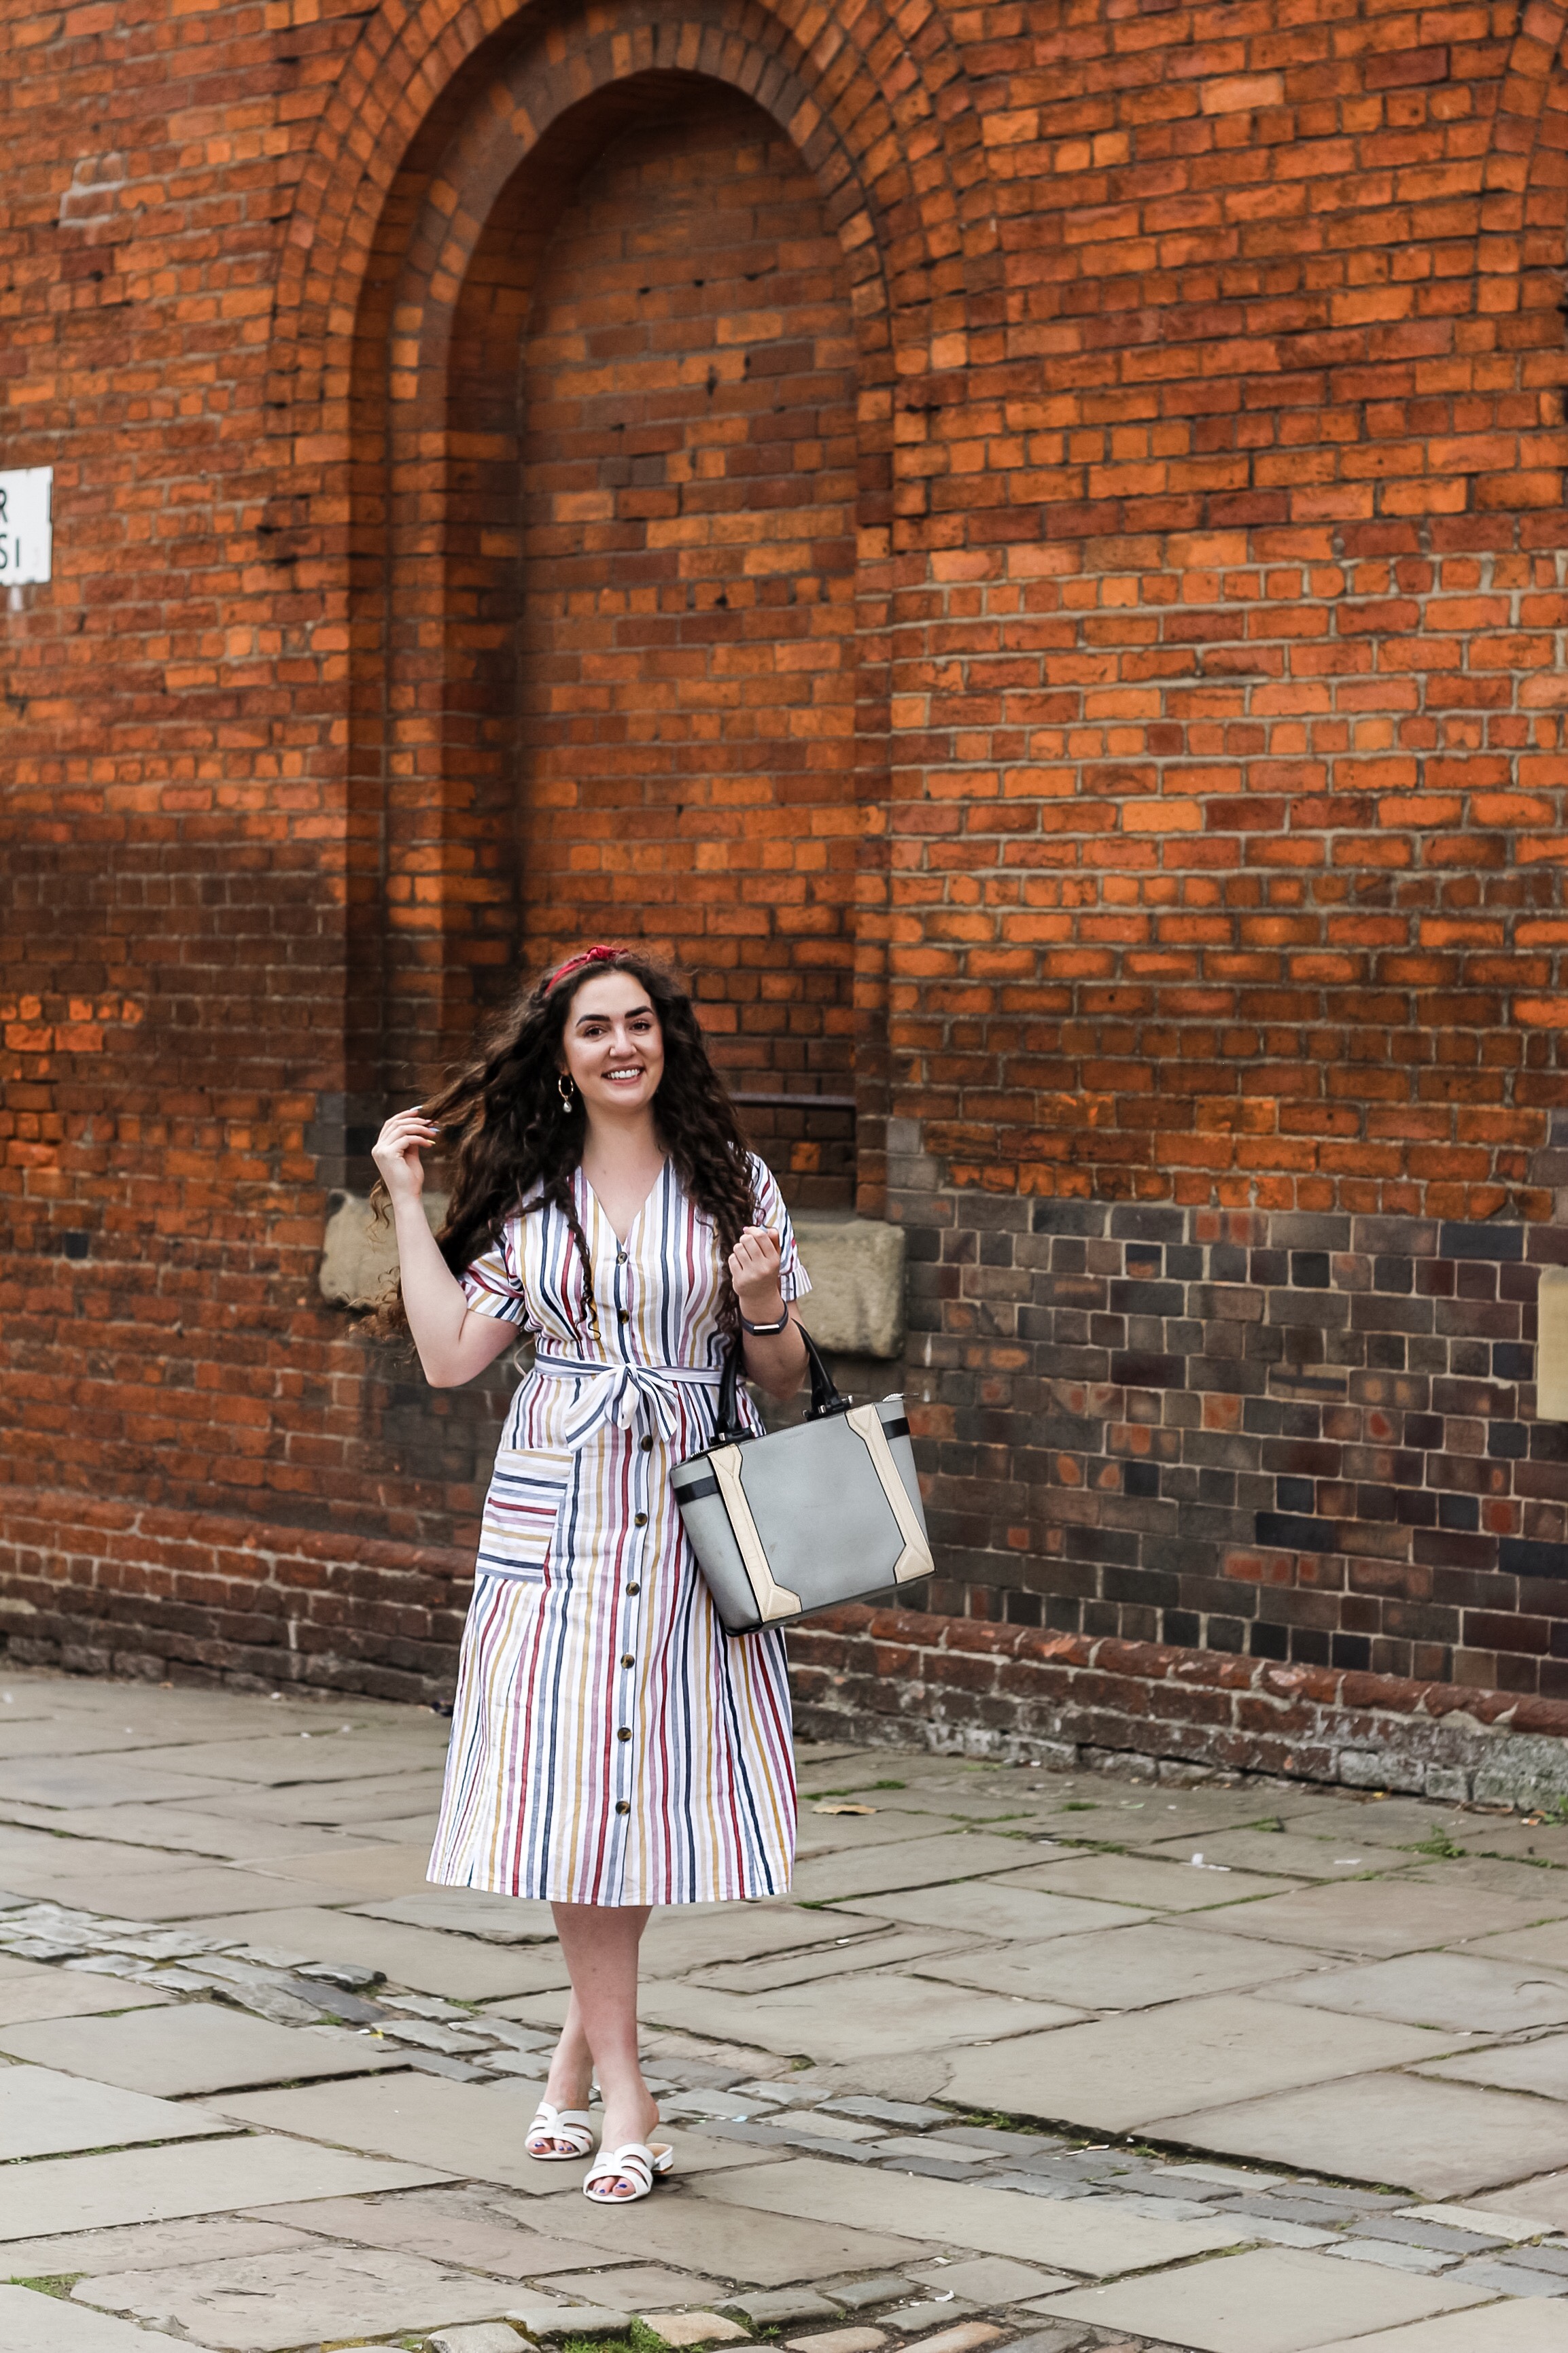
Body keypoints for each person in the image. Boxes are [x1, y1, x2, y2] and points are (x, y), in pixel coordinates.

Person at [370, 944, 809, 2205]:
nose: (623, 1045)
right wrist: (408, 1202)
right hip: (556, 1524)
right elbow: (454, 1356)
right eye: (594, 1030)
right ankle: (628, 2091)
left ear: (667, 1040)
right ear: (560, 1060)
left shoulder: (735, 1188)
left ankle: (575, 2056)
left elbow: (780, 1379)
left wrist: (767, 1303)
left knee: (636, 1782)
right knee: (576, 1786)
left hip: (684, 1522)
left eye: (639, 1024)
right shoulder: (533, 1201)